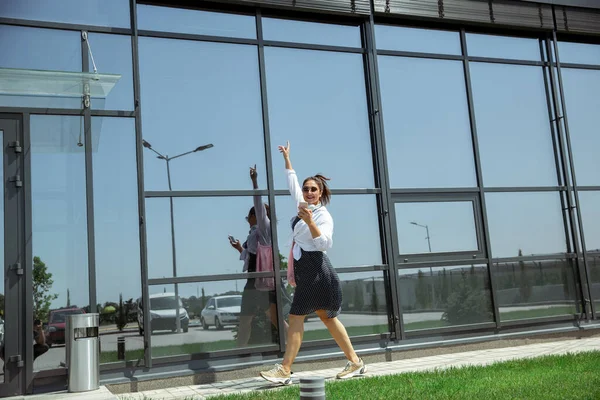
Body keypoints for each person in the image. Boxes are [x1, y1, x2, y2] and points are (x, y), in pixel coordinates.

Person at [260, 141, 366, 385]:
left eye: (313, 190)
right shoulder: (302, 205)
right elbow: (291, 182)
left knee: (297, 317)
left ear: (321, 194)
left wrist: (310, 222)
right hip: (307, 270)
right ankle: (355, 361)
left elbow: (325, 244)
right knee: (327, 318)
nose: (308, 192)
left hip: (317, 270)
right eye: (306, 189)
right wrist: (287, 158)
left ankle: (285, 370)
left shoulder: (322, 215)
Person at [230, 165, 287, 347]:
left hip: (261, 282)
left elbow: (258, 202)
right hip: (253, 280)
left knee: (274, 319)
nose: (248, 220)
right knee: (245, 320)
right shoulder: (254, 233)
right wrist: (240, 248)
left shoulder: (264, 227)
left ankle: (294, 347)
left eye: (249, 217)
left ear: (256, 215)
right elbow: (252, 258)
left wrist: (255, 181)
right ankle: (239, 354)